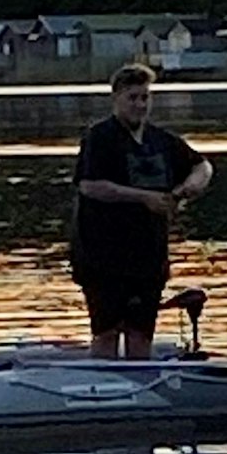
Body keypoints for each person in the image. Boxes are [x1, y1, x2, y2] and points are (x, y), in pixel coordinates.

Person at [71, 64, 213, 359]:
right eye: (133, 98)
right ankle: (102, 388)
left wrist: (186, 189)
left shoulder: (161, 141)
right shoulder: (100, 137)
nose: (140, 105)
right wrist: (144, 198)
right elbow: (90, 185)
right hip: (102, 256)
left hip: (149, 257)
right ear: (117, 98)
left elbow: (202, 166)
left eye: (145, 98)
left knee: (140, 332)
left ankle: (141, 389)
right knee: (106, 330)